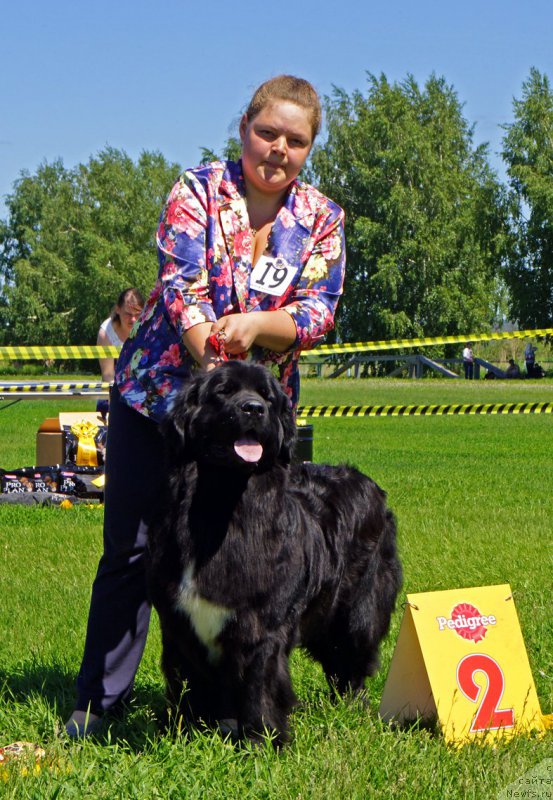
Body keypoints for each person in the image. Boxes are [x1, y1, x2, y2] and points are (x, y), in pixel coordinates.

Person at [65, 75, 346, 737]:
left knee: (255, 556)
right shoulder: (196, 190)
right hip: (159, 405)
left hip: (254, 423)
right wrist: (214, 362)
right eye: (267, 132)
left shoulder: (321, 219)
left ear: (309, 149)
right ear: (243, 127)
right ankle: (97, 706)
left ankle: (233, 702)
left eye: (295, 140)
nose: (278, 149)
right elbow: (182, 286)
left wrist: (255, 327)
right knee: (134, 555)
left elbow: (317, 311)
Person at [96, 288, 145, 384]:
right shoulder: (106, 333)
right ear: (118, 309)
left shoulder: (148, 327)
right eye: (128, 314)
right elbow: (108, 375)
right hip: (114, 388)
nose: (133, 319)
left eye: (137, 314)